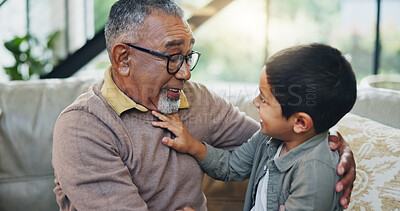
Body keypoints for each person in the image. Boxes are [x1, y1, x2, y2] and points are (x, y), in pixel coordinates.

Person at [51, 0, 355, 210]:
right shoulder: (84, 128)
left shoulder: (196, 99)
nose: (185, 73)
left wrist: (329, 148)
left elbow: (274, 142)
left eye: (188, 56)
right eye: (172, 57)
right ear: (123, 58)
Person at [152, 43, 356, 211]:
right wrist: (191, 145)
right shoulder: (269, 138)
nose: (254, 102)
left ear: (300, 123)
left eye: (264, 99)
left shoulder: (315, 171)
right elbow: (231, 167)